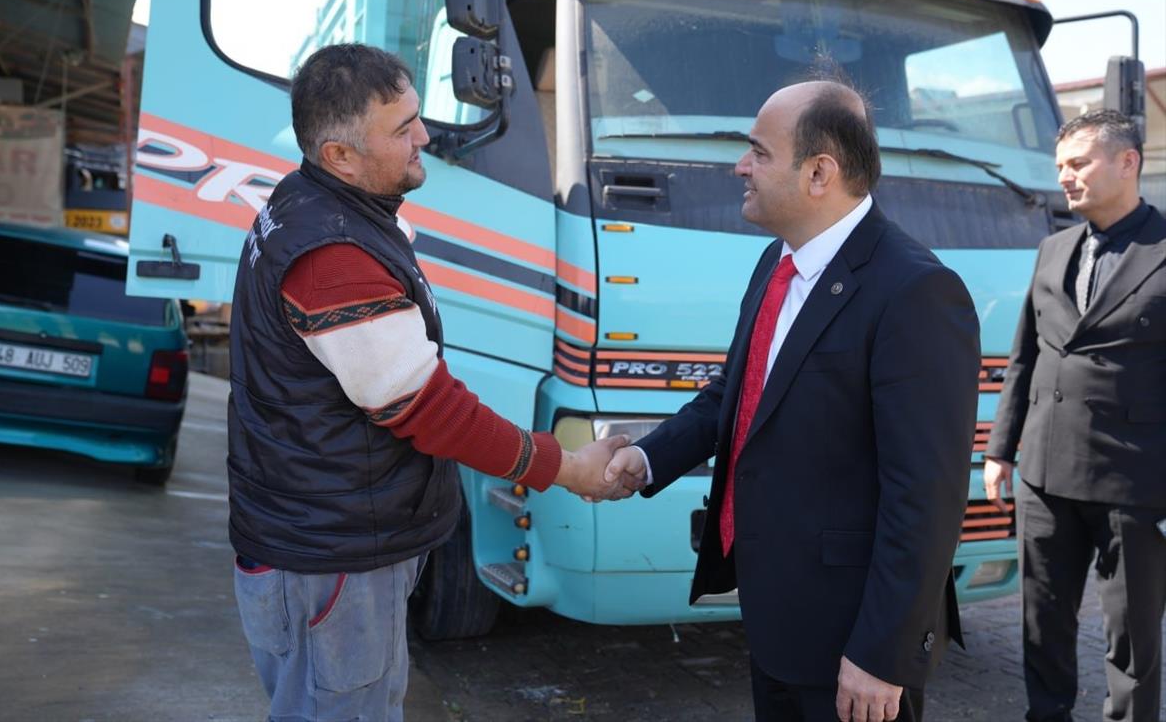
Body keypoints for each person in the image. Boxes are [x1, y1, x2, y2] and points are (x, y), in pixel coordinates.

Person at [225, 44, 626, 722]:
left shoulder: (314, 202)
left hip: (325, 541)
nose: (425, 137)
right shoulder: (333, 254)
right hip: (333, 559)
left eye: (417, 115)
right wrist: (564, 466)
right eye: (402, 128)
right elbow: (428, 408)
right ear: (340, 156)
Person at [605, 80, 980, 722]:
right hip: (778, 618)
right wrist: (644, 459)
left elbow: (926, 495)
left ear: (818, 173)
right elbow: (737, 395)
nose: (740, 166)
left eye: (759, 152)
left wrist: (882, 654)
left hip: (853, 645)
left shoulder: (915, 290)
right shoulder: (776, 264)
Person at [984, 109, 1166, 722]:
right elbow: (1025, 355)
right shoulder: (1054, 247)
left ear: (1128, 162)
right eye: (1060, 165)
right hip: (1043, 471)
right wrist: (1000, 448)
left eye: (1079, 163)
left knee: (1131, 636)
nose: (1065, 177)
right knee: (1042, 622)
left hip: (1133, 481)